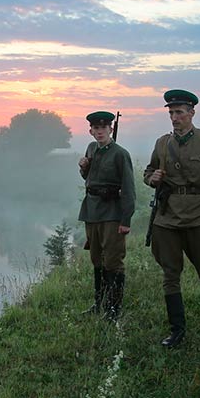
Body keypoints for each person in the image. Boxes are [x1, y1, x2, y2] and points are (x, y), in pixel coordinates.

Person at [143, 89, 200, 348]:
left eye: (179, 112)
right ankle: (177, 330)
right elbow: (149, 170)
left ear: (192, 113)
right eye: (171, 113)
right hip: (166, 218)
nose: (174, 117)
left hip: (199, 216)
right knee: (170, 274)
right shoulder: (162, 143)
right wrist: (151, 179)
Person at [78, 111, 135, 320]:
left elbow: (129, 189)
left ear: (111, 129)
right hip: (91, 211)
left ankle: (114, 309)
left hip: (111, 212)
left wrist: (125, 220)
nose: (100, 131)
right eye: (96, 128)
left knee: (113, 261)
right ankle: (99, 303)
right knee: (96, 259)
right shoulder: (92, 148)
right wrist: (83, 168)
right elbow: (89, 177)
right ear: (90, 131)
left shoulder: (120, 154)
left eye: (104, 128)